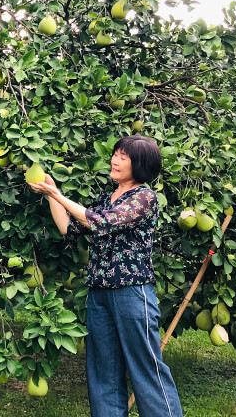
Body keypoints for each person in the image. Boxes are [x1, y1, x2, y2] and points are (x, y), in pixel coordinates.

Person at [29, 134, 183, 417]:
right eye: (115, 154)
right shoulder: (107, 198)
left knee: (145, 367)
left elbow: (99, 221)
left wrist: (59, 196)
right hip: (99, 293)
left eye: (123, 157)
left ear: (140, 165)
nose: (115, 160)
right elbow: (68, 227)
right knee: (104, 371)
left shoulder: (144, 197)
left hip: (131, 293)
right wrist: (52, 192)